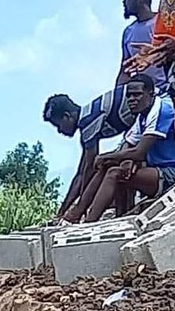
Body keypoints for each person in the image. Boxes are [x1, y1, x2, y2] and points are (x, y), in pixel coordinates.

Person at [81, 72, 175, 222]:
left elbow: (139, 152)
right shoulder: (142, 116)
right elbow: (129, 144)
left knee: (114, 173)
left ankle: (89, 221)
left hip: (172, 172)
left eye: (137, 95)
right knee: (113, 166)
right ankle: (79, 214)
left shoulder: (161, 109)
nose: (131, 100)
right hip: (157, 170)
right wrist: (124, 160)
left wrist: (105, 156)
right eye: (129, 96)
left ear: (151, 94)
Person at [43, 87, 137, 217]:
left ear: (67, 116)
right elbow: (81, 173)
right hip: (136, 128)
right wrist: (63, 209)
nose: (60, 131)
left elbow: (89, 169)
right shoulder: (88, 117)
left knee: (107, 165)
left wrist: (81, 203)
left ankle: (88, 213)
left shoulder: (88, 121)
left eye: (58, 125)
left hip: (145, 123)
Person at [118, 0, 167, 89]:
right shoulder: (128, 32)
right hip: (143, 94)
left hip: (171, 91)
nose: (124, 2)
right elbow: (125, 70)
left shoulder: (166, 22)